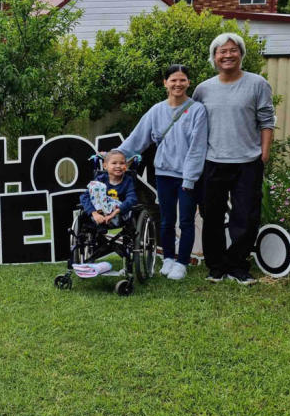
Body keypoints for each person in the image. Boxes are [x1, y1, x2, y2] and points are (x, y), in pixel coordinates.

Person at [192, 33, 275, 285]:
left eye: (233, 50)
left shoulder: (257, 84)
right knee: (211, 214)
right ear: (214, 57)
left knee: (246, 216)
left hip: (247, 161)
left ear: (241, 54)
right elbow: (193, 124)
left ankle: (238, 265)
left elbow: (267, 120)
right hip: (213, 160)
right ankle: (216, 266)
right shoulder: (203, 89)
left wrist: (264, 152)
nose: (227, 55)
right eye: (222, 51)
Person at [117, 64, 208, 280]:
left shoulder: (197, 110)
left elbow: (198, 148)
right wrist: (116, 155)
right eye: (173, 80)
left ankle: (182, 263)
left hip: (187, 176)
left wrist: (190, 177)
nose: (178, 84)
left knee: (185, 220)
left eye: (182, 80)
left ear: (188, 83)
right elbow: (138, 137)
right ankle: (168, 258)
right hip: (164, 174)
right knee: (166, 220)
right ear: (165, 83)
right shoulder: (156, 110)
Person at [80, 149, 137, 228]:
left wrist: (115, 212)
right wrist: (94, 213)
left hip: (119, 214)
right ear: (105, 166)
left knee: (128, 206)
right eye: (114, 163)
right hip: (98, 214)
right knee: (93, 190)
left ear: (126, 166)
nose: (118, 166)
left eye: (122, 163)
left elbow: (132, 198)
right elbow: (84, 196)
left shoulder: (128, 181)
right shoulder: (100, 179)